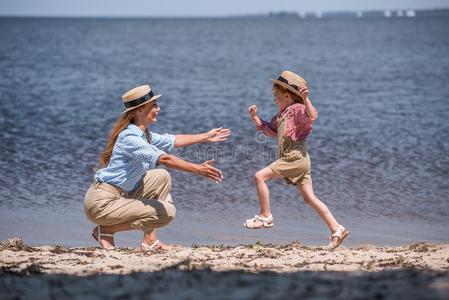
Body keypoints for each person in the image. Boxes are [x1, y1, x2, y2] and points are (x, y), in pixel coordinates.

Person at [84, 84, 231, 251]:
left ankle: (150, 240)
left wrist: (206, 136)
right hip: (102, 203)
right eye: (153, 105)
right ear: (139, 110)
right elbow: (165, 158)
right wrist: (197, 169)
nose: (158, 108)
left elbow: (173, 140)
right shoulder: (130, 138)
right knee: (166, 212)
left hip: (120, 194)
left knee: (161, 176)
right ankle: (106, 230)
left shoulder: (144, 135)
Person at [243, 70, 349, 250]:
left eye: (276, 96)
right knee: (309, 197)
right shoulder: (281, 115)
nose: (274, 100)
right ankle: (337, 229)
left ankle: (265, 216)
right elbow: (270, 130)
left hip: (295, 158)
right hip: (302, 160)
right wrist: (255, 118)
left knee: (259, 176)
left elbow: (313, 115)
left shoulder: (297, 110)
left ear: (287, 96)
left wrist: (305, 98)